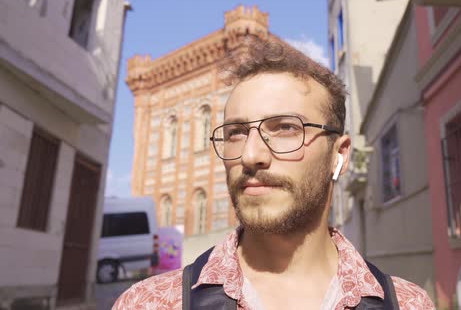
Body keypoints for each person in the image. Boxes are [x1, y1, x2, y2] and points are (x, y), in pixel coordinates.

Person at [113, 37, 435, 310]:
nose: (251, 155)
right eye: (236, 132)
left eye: (285, 128)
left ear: (339, 154)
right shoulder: (148, 303)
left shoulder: (408, 304)